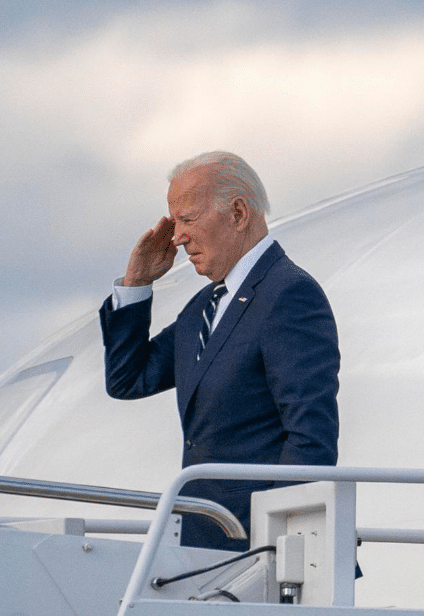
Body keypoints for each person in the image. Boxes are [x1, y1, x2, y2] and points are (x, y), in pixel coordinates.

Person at [99, 151, 340, 551]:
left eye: (187, 219)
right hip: (201, 546)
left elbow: (311, 436)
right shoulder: (204, 307)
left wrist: (278, 546)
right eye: (173, 222)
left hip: (259, 552)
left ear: (238, 213)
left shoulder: (288, 294)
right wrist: (137, 282)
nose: (175, 236)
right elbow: (128, 379)